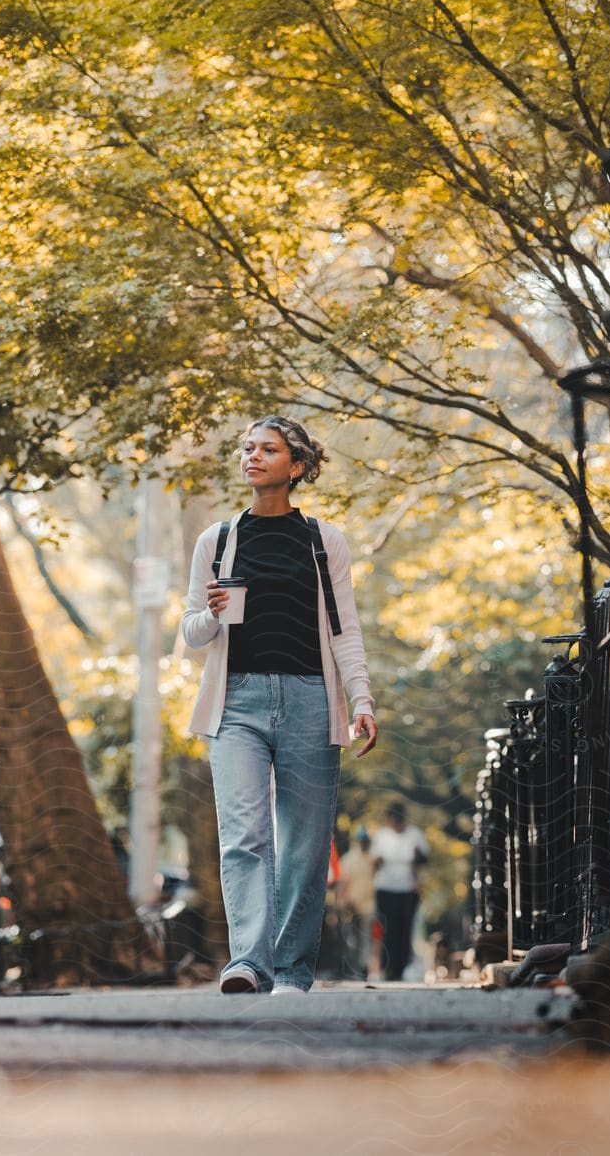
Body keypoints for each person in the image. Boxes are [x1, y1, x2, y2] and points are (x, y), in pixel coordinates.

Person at [180, 415, 379, 995]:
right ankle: (249, 961)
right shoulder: (216, 541)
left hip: (311, 700)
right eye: (247, 448)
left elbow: (345, 629)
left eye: (268, 449)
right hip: (235, 702)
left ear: (295, 467)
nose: (253, 456)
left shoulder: (323, 541)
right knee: (244, 835)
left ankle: (292, 970)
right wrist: (213, 614)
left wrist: (360, 698)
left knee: (305, 843)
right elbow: (191, 632)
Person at [373, 801, 429, 981]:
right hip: (386, 888)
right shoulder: (382, 835)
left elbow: (425, 858)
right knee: (389, 929)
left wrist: (417, 854)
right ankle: (388, 967)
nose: (396, 824)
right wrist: (379, 860)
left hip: (407, 889)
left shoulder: (414, 834)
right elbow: (373, 861)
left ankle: (401, 967)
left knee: (405, 930)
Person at [337, 826, 378, 979]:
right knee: (352, 939)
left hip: (368, 906)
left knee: (365, 938)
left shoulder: (373, 858)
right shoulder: (349, 859)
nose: (364, 843)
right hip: (351, 907)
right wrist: (341, 903)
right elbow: (343, 883)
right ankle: (351, 967)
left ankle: (362, 967)